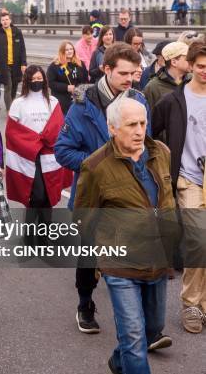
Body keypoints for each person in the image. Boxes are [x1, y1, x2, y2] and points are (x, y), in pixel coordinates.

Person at [55, 43, 154, 337]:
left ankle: (145, 326)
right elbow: (62, 151)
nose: (130, 79)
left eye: (134, 73)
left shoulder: (138, 100)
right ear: (106, 69)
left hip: (130, 194)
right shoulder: (82, 106)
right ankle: (85, 304)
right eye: (123, 73)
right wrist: (98, 164)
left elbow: (146, 143)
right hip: (93, 196)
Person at [75, 96, 175, 374]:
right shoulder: (95, 166)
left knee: (151, 328)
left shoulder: (161, 153)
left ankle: (118, 362)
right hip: (120, 265)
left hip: (157, 259)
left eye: (143, 123)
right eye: (131, 124)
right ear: (112, 128)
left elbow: (167, 199)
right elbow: (84, 218)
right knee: (132, 336)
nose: (139, 130)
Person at [152, 41, 206, 334]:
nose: (205, 72)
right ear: (191, 67)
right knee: (199, 240)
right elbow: (149, 129)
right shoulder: (174, 100)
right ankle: (191, 305)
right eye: (200, 66)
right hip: (189, 178)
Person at [6, 66, 67, 237]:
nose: (37, 82)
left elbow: (59, 126)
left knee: (47, 196)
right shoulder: (18, 103)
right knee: (34, 196)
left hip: (49, 156)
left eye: (39, 78)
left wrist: (47, 139)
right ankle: (29, 233)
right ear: (27, 81)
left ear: (44, 80)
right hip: (28, 156)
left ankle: (44, 234)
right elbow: (12, 131)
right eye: (33, 79)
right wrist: (33, 142)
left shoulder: (53, 102)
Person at [0, 11, 27, 111]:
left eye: (7, 19)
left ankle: (12, 104)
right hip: (3, 66)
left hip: (16, 64)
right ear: (0, 22)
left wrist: (24, 63)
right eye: (3, 20)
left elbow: (22, 48)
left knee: (14, 86)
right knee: (8, 86)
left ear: (10, 20)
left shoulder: (17, 32)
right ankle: (9, 111)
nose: (5, 22)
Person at [144, 41, 191, 111]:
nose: (191, 61)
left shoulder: (193, 80)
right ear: (174, 62)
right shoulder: (153, 87)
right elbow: (149, 117)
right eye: (187, 58)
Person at [47, 41, 89, 114]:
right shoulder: (55, 65)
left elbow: (86, 80)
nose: (70, 51)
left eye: (71, 49)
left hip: (79, 100)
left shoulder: (80, 63)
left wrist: (81, 90)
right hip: (63, 102)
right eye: (67, 50)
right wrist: (66, 87)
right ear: (62, 51)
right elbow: (51, 83)